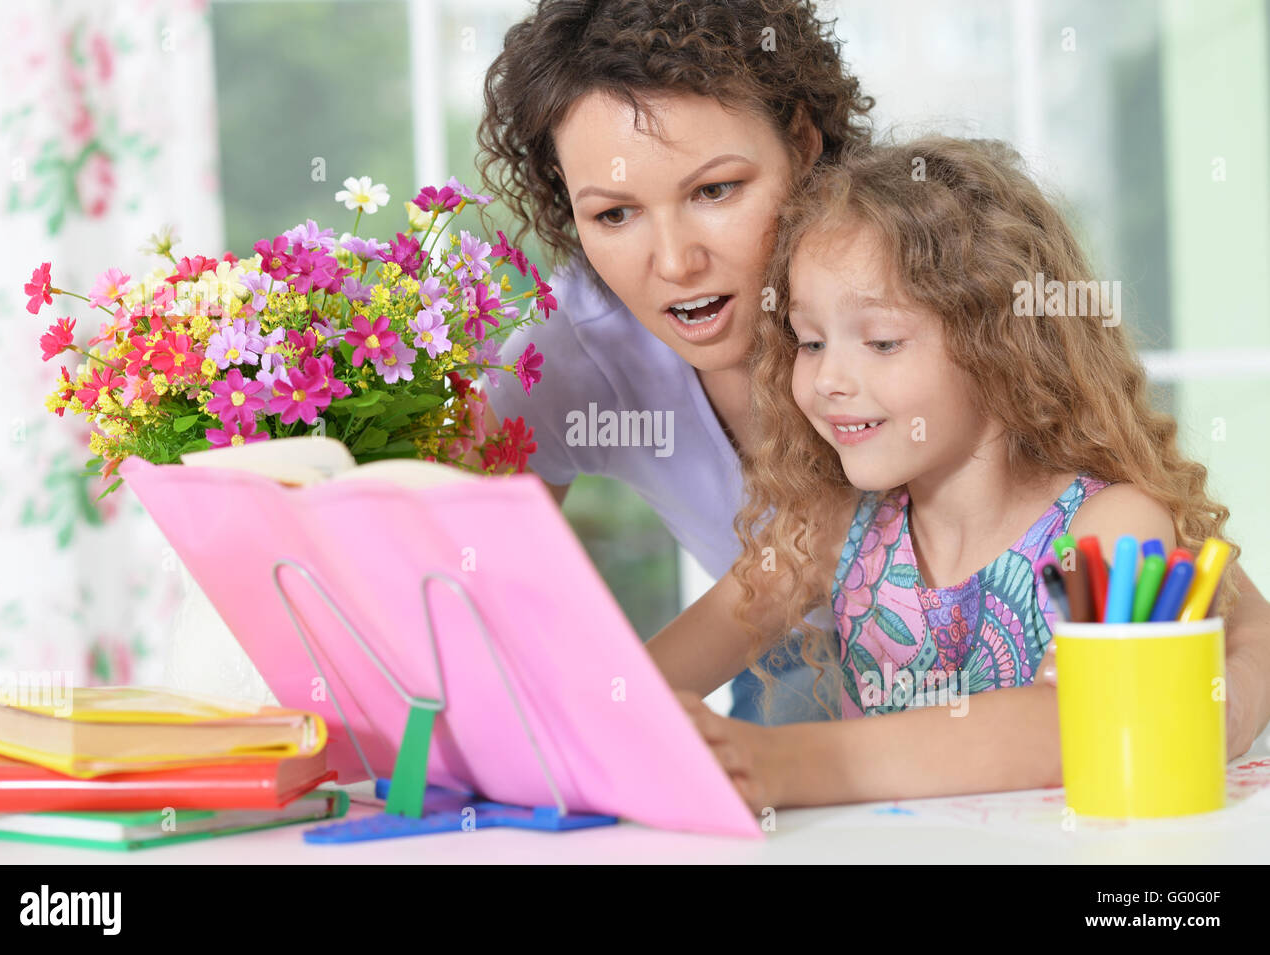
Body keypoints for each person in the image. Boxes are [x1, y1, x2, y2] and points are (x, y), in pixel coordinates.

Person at [472, 0, 1270, 745]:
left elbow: (1161, 663)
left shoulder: (900, 246)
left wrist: (1203, 710)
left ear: (803, 141)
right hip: (824, 674)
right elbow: (470, 593)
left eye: (716, 189)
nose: (676, 262)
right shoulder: (572, 360)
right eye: (614, 212)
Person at [647, 135, 1255, 810]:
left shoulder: (1109, 527)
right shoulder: (830, 529)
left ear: (999, 345)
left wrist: (785, 761)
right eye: (811, 341)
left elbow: (1074, 721)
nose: (828, 380)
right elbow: (650, 680)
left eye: (881, 341)